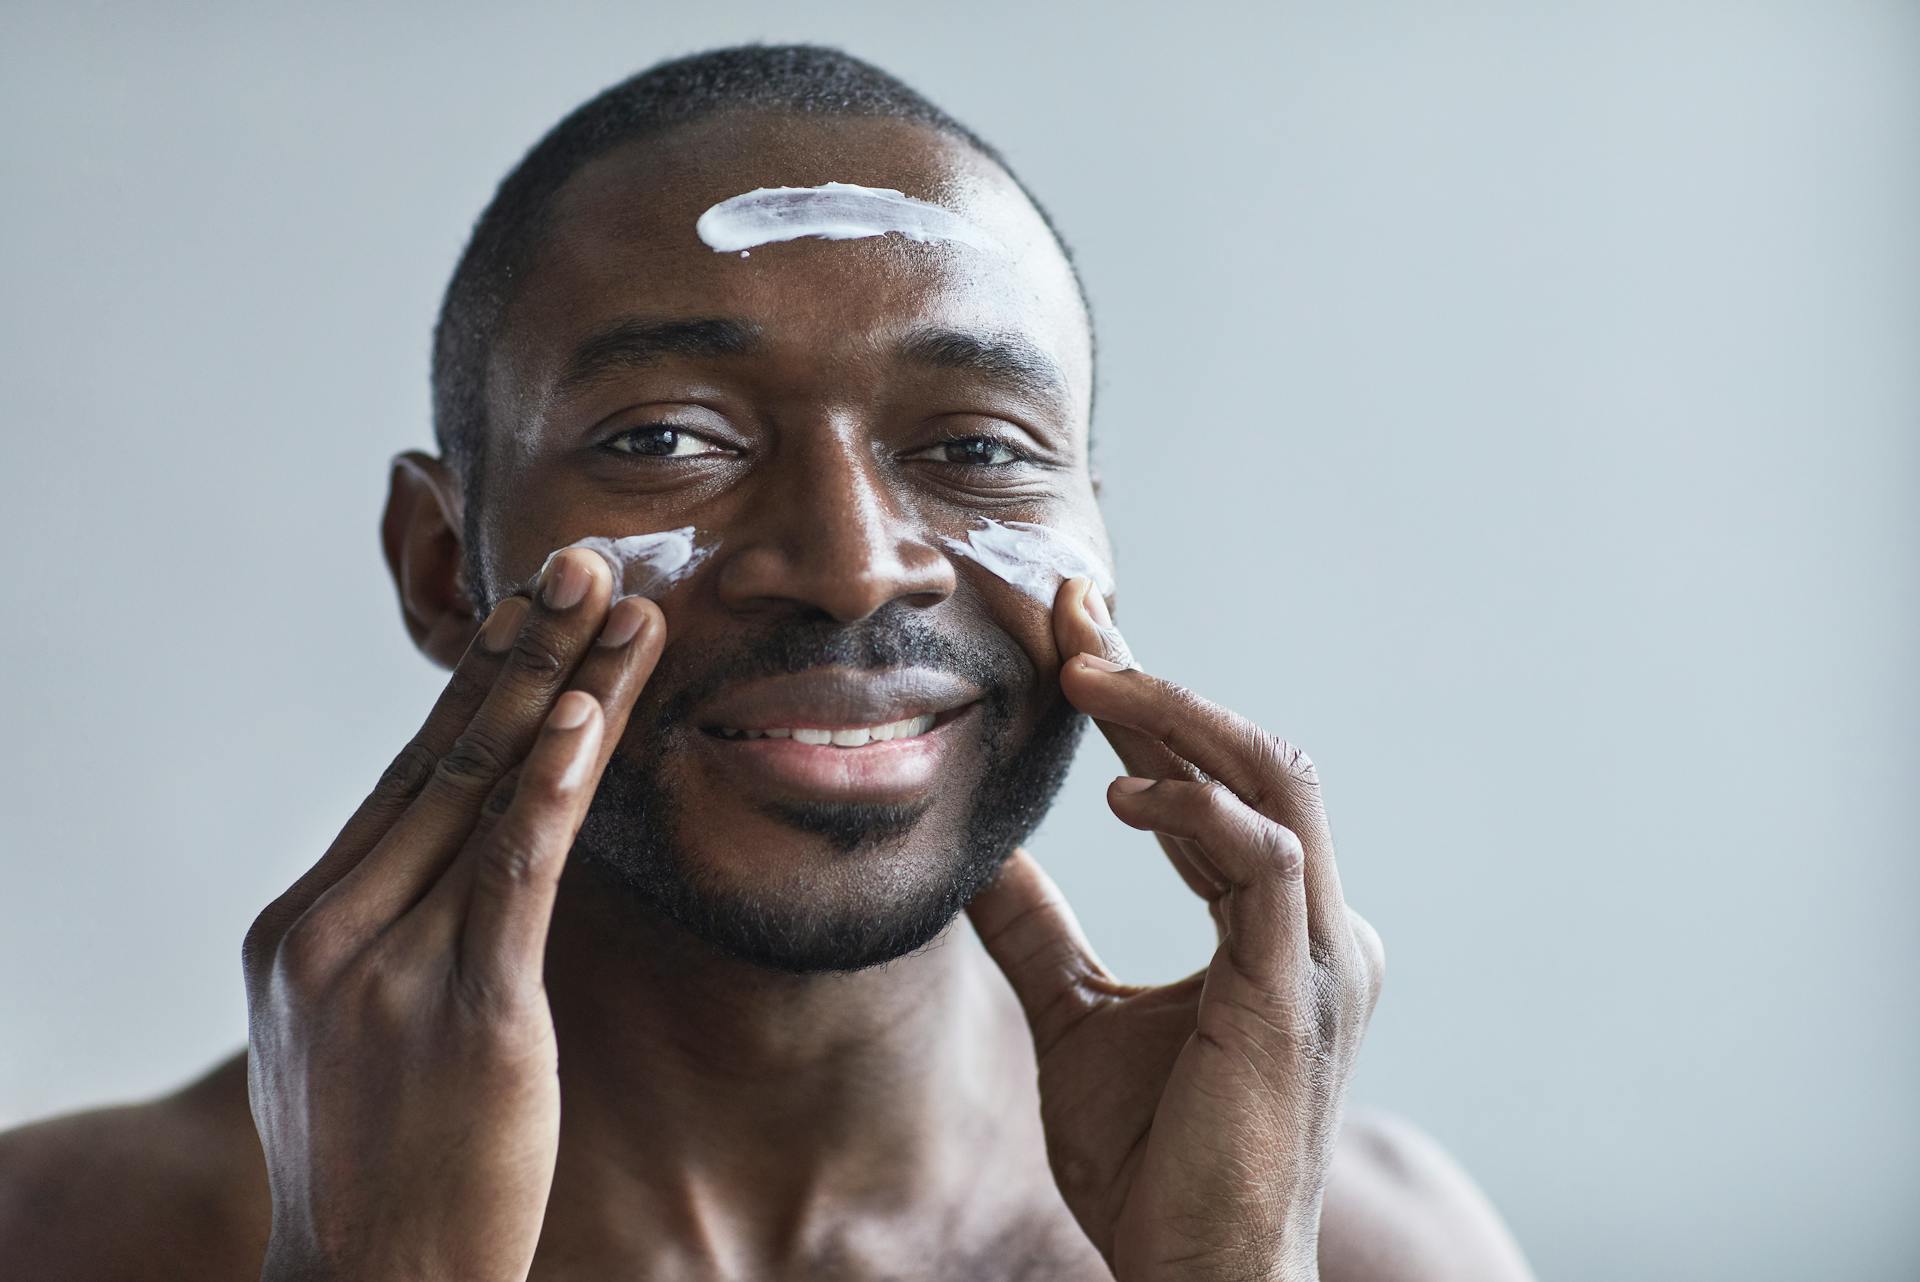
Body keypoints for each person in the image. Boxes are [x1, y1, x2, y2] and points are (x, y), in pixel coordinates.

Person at [0, 44, 1536, 1281]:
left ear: (1095, 552)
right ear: (437, 566)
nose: (857, 559)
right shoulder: (67, 1237)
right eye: (668, 438)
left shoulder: (1367, 1253)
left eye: (977, 449)